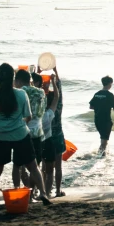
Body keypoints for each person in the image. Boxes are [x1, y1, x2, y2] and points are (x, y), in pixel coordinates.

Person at [0, 63, 52, 210]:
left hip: (0, 137)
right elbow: (29, 116)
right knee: (32, 165)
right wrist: (19, 124)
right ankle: (43, 193)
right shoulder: (21, 94)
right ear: (13, 78)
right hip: (20, 134)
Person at [13, 69, 46, 198]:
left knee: (17, 165)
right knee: (35, 166)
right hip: (38, 132)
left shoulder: (19, 92)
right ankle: (33, 193)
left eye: (15, 81)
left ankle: (19, 192)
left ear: (19, 81)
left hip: (23, 132)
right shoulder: (41, 92)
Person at [41, 64, 66, 197]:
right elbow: (59, 92)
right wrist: (55, 73)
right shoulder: (58, 105)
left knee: (45, 166)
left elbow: (38, 91)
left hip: (45, 137)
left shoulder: (44, 106)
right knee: (58, 166)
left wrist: (40, 74)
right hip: (58, 135)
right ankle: (57, 190)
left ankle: (44, 190)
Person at [89, 76, 114, 156]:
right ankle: (99, 157)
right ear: (110, 83)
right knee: (104, 141)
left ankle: (102, 155)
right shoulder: (109, 95)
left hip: (97, 120)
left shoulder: (97, 94)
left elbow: (91, 106)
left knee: (103, 138)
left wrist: (100, 107)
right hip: (106, 120)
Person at [40, 74, 61, 195]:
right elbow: (56, 98)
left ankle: (37, 191)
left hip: (38, 140)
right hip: (48, 142)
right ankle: (47, 192)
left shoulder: (36, 116)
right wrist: (53, 81)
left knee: (38, 168)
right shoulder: (49, 114)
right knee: (49, 170)